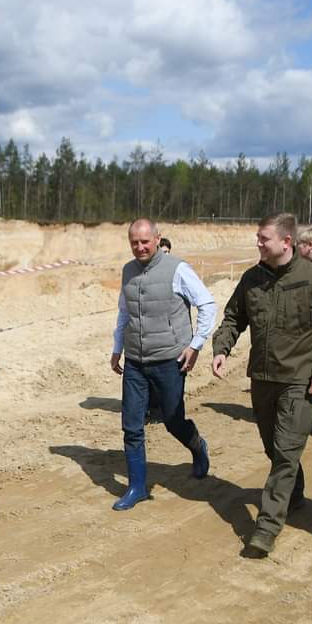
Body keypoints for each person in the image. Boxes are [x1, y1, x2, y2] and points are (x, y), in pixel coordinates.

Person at [212, 213, 312, 558]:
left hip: (298, 380)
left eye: (264, 239)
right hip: (262, 378)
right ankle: (294, 492)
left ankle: (266, 528)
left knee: (286, 453)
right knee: (274, 448)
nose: (258, 243)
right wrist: (222, 348)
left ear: (286, 242)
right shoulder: (252, 279)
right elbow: (234, 317)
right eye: (258, 238)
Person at [110, 218, 216, 511]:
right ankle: (137, 487)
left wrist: (196, 345)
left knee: (172, 420)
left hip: (170, 359)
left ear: (158, 239)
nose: (140, 247)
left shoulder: (177, 269)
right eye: (134, 242)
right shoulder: (128, 271)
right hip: (135, 361)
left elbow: (207, 304)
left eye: (145, 241)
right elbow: (124, 312)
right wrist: (117, 348)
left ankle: (197, 446)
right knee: (132, 425)